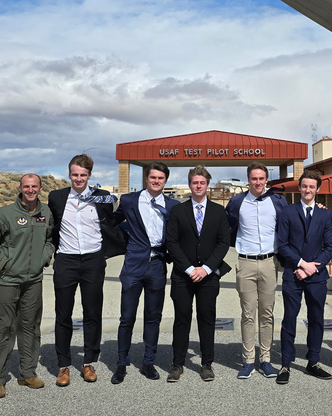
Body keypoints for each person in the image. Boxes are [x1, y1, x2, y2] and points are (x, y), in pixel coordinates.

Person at [48, 154, 125, 387]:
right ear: (69, 175)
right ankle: (63, 366)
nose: (78, 178)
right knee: (63, 314)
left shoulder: (101, 198)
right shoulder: (57, 197)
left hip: (93, 261)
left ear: (90, 176)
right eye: (74, 174)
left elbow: (113, 222)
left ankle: (89, 362)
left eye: (83, 175)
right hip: (66, 261)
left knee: (92, 312)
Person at [0, 174, 54, 399]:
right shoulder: (4, 214)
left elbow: (50, 239)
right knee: (4, 328)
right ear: (20, 188)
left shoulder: (46, 212)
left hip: (34, 281)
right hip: (8, 281)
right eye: (26, 186)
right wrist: (5, 263)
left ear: (40, 188)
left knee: (30, 326)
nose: (30, 190)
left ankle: (27, 373)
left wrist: (45, 257)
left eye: (34, 186)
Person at [110, 161, 179, 384]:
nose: (156, 181)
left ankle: (148, 362)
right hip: (133, 266)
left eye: (160, 178)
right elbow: (113, 222)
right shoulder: (130, 200)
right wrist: (126, 244)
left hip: (157, 265)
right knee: (126, 317)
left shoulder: (173, 205)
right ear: (146, 178)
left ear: (165, 180)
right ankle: (121, 363)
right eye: (152, 177)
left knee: (153, 317)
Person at [165, 165, 231, 382]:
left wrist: (206, 269)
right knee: (181, 319)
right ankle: (177, 364)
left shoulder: (219, 212)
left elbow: (223, 243)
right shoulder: (178, 211)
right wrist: (190, 269)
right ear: (190, 184)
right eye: (195, 182)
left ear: (208, 185)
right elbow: (172, 243)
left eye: (202, 182)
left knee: (207, 319)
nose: (198, 186)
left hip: (209, 276)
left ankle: (206, 364)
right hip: (183, 276)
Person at [225, 162, 287, 379]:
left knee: (267, 315)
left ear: (266, 180)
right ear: (248, 180)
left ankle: (266, 360)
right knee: (248, 314)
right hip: (246, 263)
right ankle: (248, 360)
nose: (258, 182)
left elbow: (288, 225)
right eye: (254, 179)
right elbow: (227, 227)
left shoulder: (278, 201)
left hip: (270, 263)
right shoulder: (237, 202)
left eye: (261, 179)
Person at [274, 170, 332, 384]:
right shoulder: (287, 212)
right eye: (304, 186)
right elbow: (282, 245)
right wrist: (301, 264)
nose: (308, 190)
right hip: (293, 274)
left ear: (318, 189)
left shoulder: (325, 214)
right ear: (299, 188)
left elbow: (330, 247)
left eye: (312, 187)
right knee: (289, 319)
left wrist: (312, 268)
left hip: (316, 277)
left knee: (316, 319)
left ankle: (313, 362)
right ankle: (286, 364)